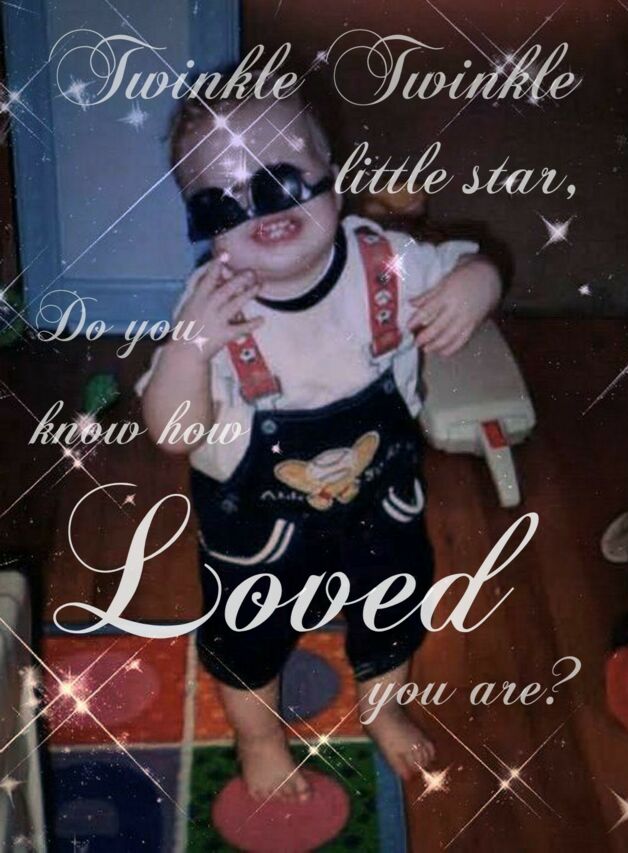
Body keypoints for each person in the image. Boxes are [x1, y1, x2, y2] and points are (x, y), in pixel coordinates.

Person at [138, 85, 501, 801]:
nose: (261, 208)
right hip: (257, 532)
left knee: (392, 613)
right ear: (199, 221)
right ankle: (259, 739)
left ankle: (382, 706)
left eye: (281, 180)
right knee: (246, 642)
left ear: (332, 172)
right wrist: (188, 350)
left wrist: (479, 281)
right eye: (223, 198)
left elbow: (471, 267)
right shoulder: (211, 309)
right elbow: (174, 432)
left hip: (380, 508)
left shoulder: (388, 261)